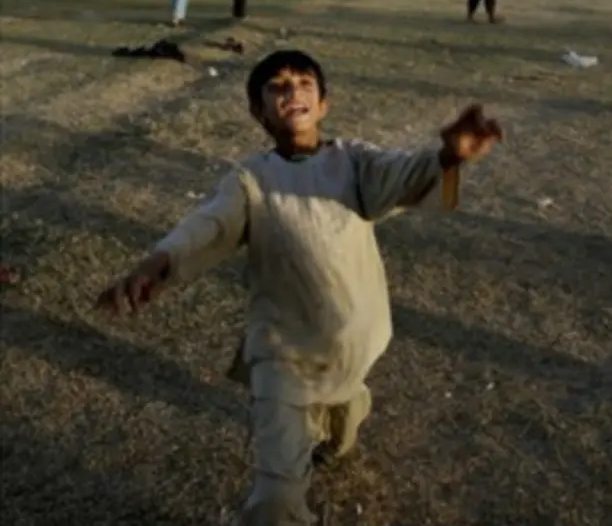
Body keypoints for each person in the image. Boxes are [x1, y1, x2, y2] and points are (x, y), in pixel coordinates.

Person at [97, 49, 502, 526]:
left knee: (343, 415)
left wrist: (448, 156)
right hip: (282, 353)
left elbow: (403, 175)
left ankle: (340, 424)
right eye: (277, 86)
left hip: (352, 341)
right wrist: (158, 262)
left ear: (324, 103)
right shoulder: (250, 179)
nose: (292, 92)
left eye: (304, 83)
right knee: (274, 499)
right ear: (258, 111)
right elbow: (208, 225)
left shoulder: (353, 162)